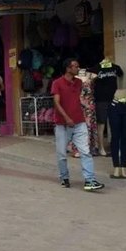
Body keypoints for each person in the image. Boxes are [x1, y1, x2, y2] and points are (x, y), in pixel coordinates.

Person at [51, 59, 104, 191]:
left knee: (85, 151)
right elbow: (56, 103)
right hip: (62, 124)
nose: (78, 68)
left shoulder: (79, 82)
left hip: (79, 122)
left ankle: (90, 180)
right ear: (68, 68)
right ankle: (64, 177)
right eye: (75, 66)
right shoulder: (57, 83)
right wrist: (67, 118)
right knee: (62, 154)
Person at [90, 57, 124, 157]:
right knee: (101, 124)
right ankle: (101, 147)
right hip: (100, 99)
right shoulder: (96, 68)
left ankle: (115, 146)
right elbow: (89, 76)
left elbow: (121, 74)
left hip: (113, 98)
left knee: (115, 123)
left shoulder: (115, 67)